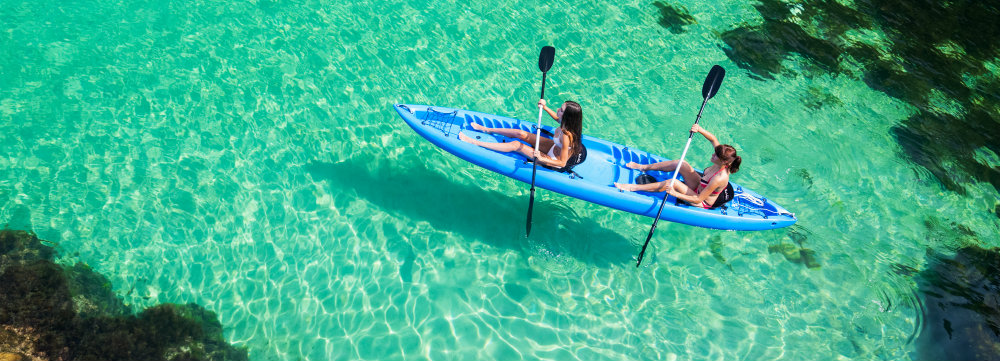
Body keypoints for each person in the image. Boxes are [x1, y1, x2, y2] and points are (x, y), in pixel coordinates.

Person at [614, 124, 741, 209]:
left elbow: (698, 199)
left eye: (716, 155)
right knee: (680, 163)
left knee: (673, 182)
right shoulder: (722, 157)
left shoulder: (719, 178)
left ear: (724, 162)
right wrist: (700, 129)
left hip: (702, 201)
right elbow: (713, 139)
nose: (713, 154)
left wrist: (675, 193)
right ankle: (643, 167)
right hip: (699, 187)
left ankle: (632, 188)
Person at [459, 99, 583, 169]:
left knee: (517, 145)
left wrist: (540, 158)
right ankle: (486, 129)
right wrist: (544, 108)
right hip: (553, 147)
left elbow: (562, 163)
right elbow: (557, 118)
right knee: (520, 133)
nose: (557, 110)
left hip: (553, 160)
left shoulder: (567, 136)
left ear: (567, 117)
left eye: (561, 110)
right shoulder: (565, 123)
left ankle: (475, 142)